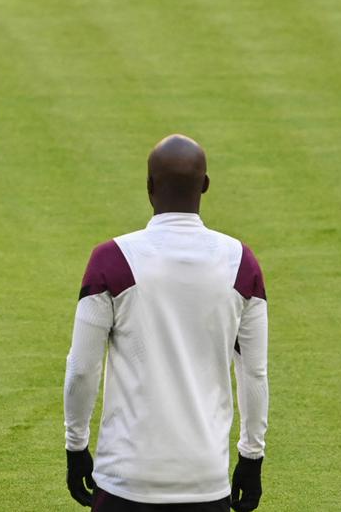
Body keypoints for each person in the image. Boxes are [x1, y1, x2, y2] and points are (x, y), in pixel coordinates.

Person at [63, 135, 268, 512]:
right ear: (205, 185)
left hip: (125, 481)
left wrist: (76, 447)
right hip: (206, 481)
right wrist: (251, 457)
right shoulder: (242, 264)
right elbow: (254, 373)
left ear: (149, 186)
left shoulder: (112, 260)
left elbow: (82, 368)